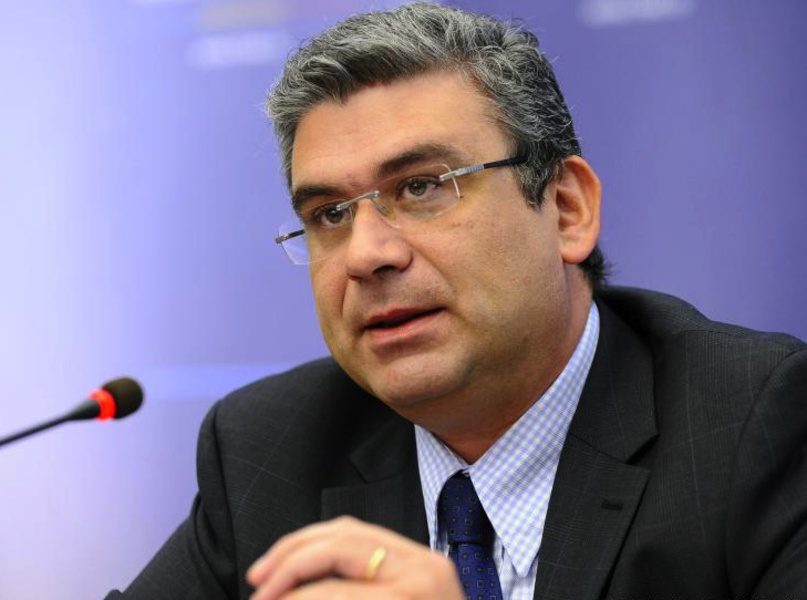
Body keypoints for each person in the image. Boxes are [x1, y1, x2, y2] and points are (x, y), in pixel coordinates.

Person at [107, 3, 807, 599]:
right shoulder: (266, 449)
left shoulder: (753, 422)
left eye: (421, 186)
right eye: (329, 214)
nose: (366, 254)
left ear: (566, 209)